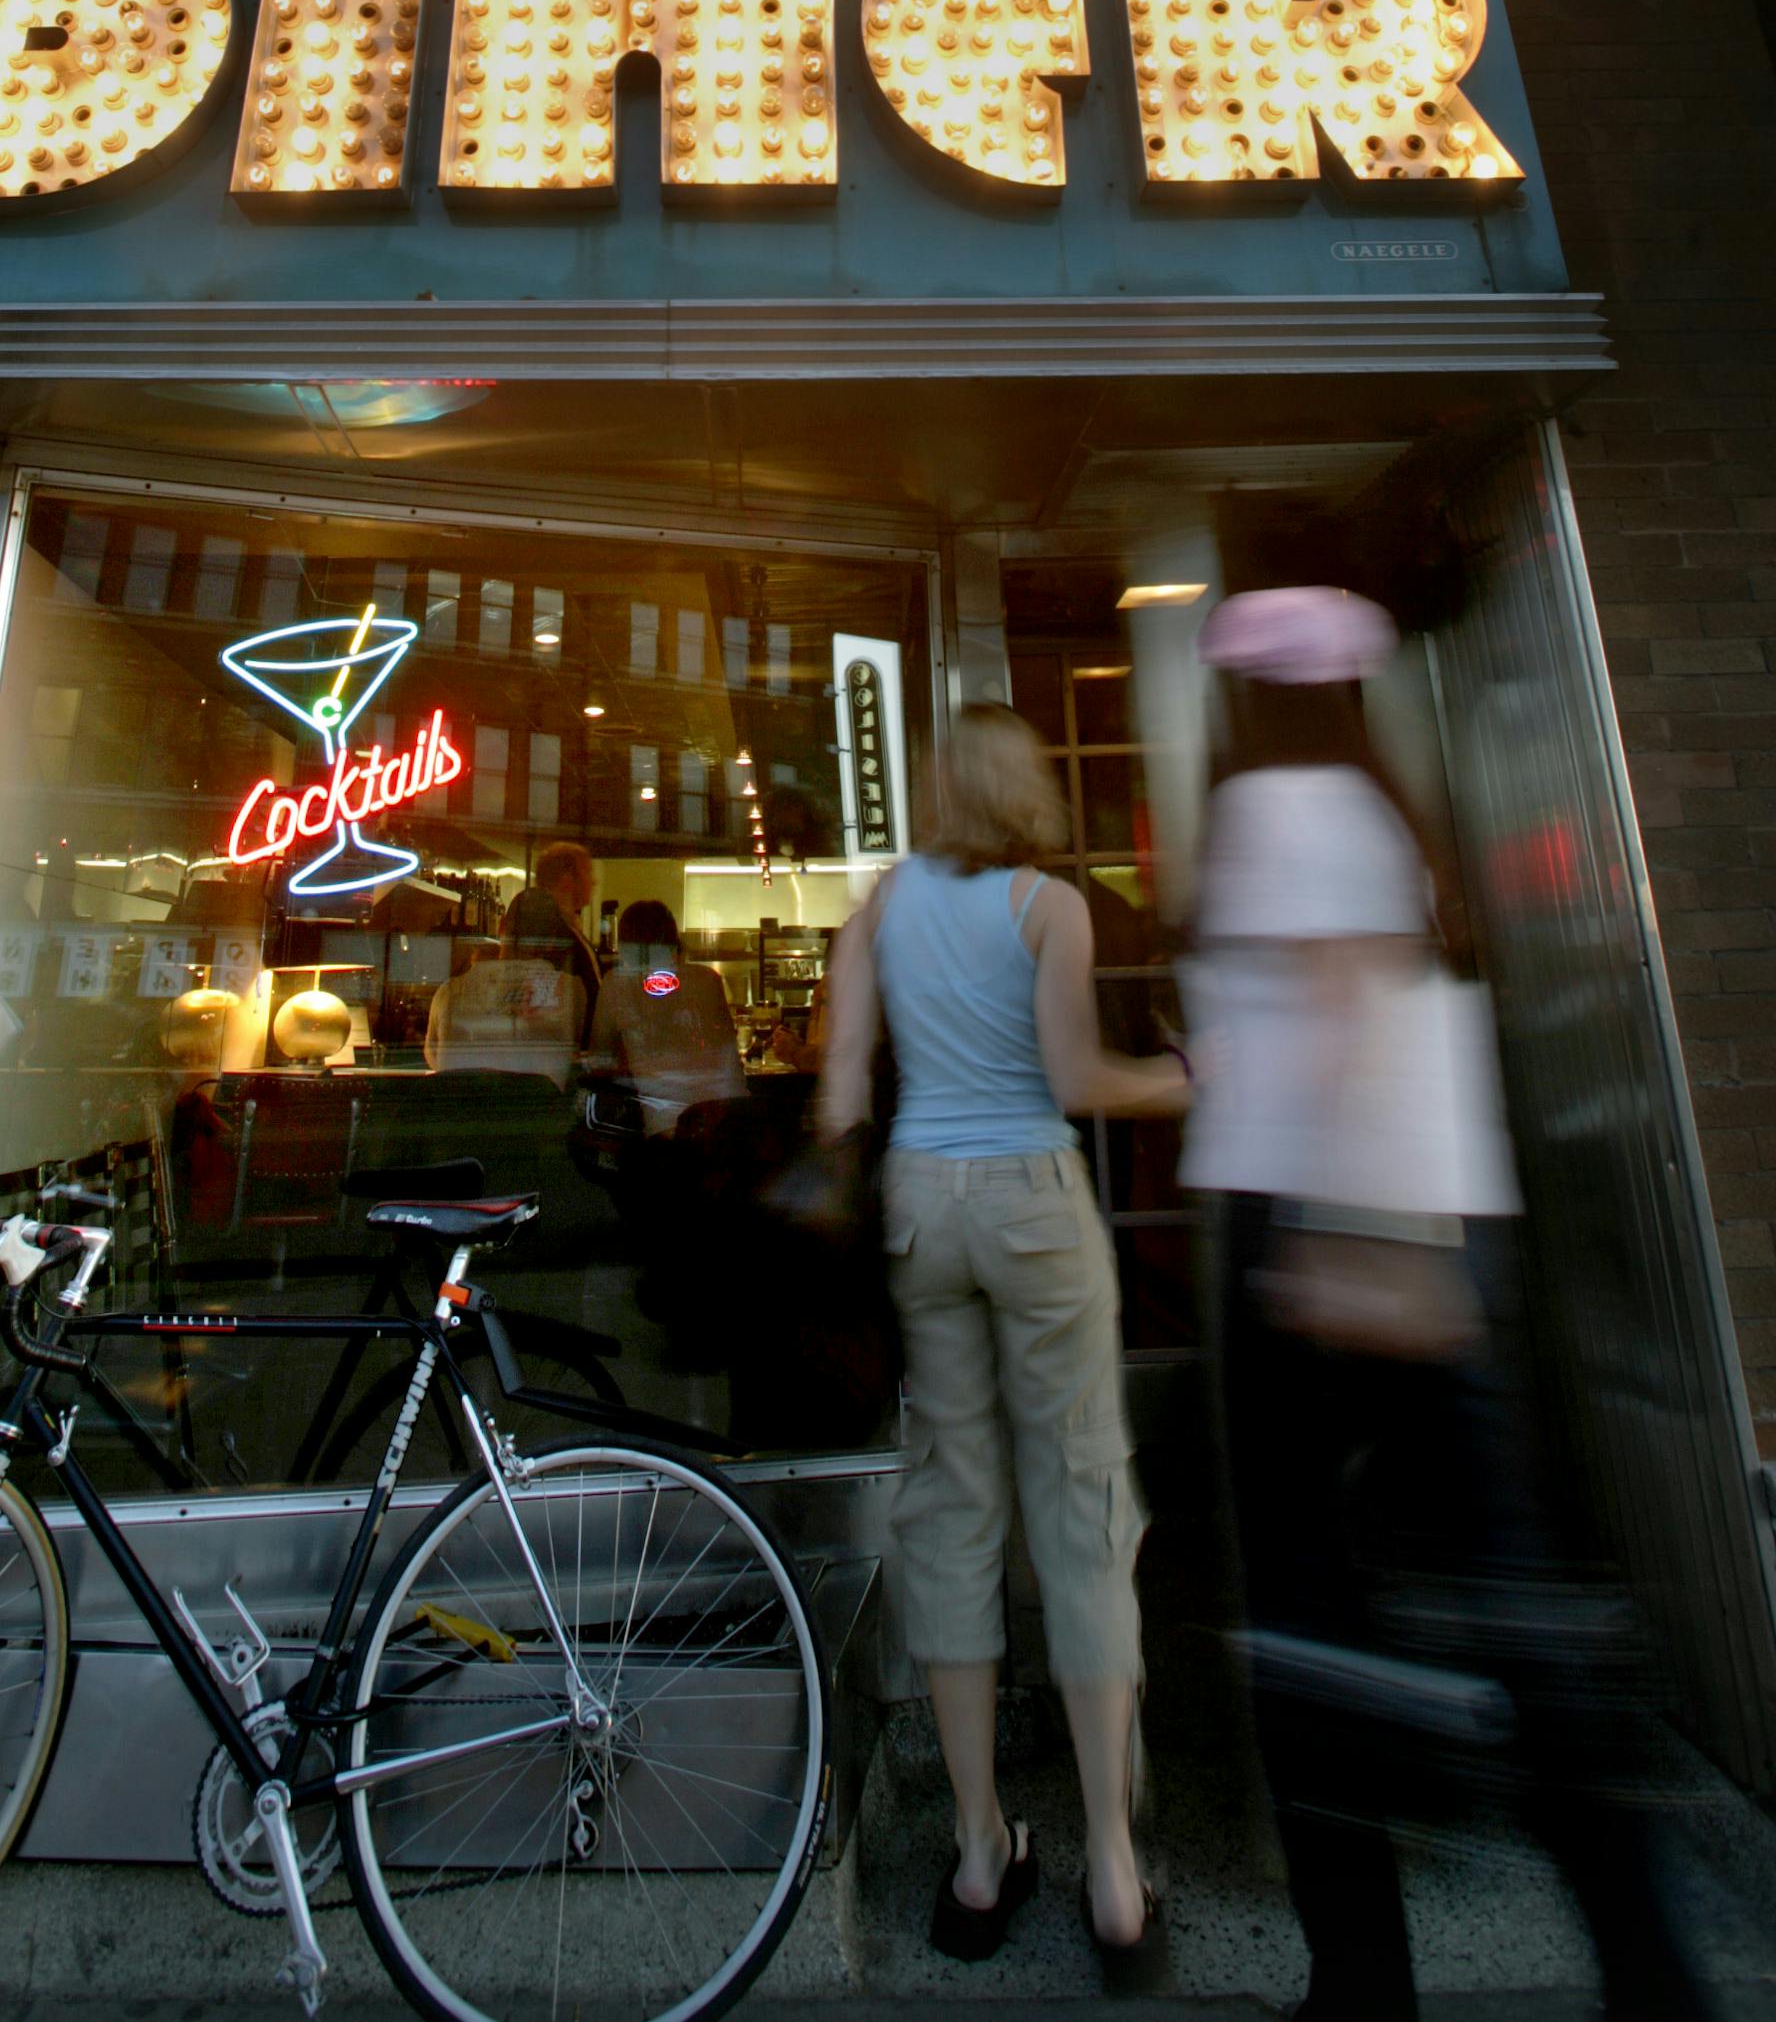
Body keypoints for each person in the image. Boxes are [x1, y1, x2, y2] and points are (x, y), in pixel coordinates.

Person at [1185, 584, 1721, 2022]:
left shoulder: (1279, 809)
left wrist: (1341, 1242)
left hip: (1325, 1225)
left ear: (1249, 698)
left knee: (1306, 1619)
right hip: (1435, 1218)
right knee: (1508, 1599)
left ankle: (1367, 1980)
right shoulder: (1380, 810)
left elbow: (1348, 1001)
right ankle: (1642, 1961)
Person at [817, 702, 1191, 1982]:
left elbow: (843, 1080)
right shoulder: (1051, 905)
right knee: (1083, 1504)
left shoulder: (879, 905)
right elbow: (1079, 1078)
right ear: (1026, 788)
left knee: (953, 1508)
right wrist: (1185, 1079)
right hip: (1035, 1206)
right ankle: (1114, 1872)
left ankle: (979, 1854)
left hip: (925, 1205)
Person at [589, 899, 743, 1135]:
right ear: (674, 940)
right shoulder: (707, 979)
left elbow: (600, 1058)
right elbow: (727, 1052)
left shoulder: (617, 984)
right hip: (728, 1120)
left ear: (625, 945)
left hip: (668, 1127)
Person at [423, 885, 585, 1082]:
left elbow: (434, 1059)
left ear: (501, 926)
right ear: (552, 940)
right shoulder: (570, 991)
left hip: (463, 1109)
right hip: (536, 1111)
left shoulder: (449, 992)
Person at [532, 839, 602, 1034]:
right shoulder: (554, 934)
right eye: (588, 872)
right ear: (567, 880)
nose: (594, 881)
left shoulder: (562, 929)